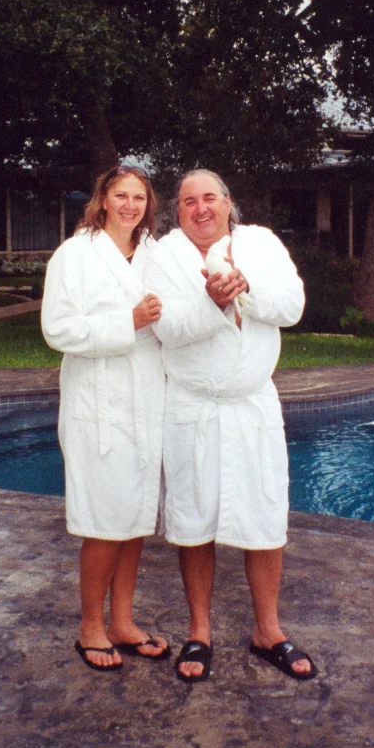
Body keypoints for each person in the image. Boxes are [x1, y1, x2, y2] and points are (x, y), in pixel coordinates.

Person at [145, 169, 317, 683]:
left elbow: (292, 306)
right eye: (188, 201)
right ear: (177, 211)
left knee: (264, 516)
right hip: (192, 408)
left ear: (227, 204)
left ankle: (268, 630)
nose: (201, 208)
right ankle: (200, 631)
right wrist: (213, 301)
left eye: (210, 199)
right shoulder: (163, 255)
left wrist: (246, 288)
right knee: (194, 520)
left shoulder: (260, 243)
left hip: (252, 405)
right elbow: (167, 329)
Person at [41, 165, 169, 672]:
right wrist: (127, 322)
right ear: (102, 199)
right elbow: (57, 329)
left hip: (146, 398)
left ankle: (123, 621)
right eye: (122, 195)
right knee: (104, 521)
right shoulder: (75, 255)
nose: (130, 205)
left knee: (135, 515)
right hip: (98, 402)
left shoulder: (156, 254)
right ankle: (91, 625)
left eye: (139, 197)